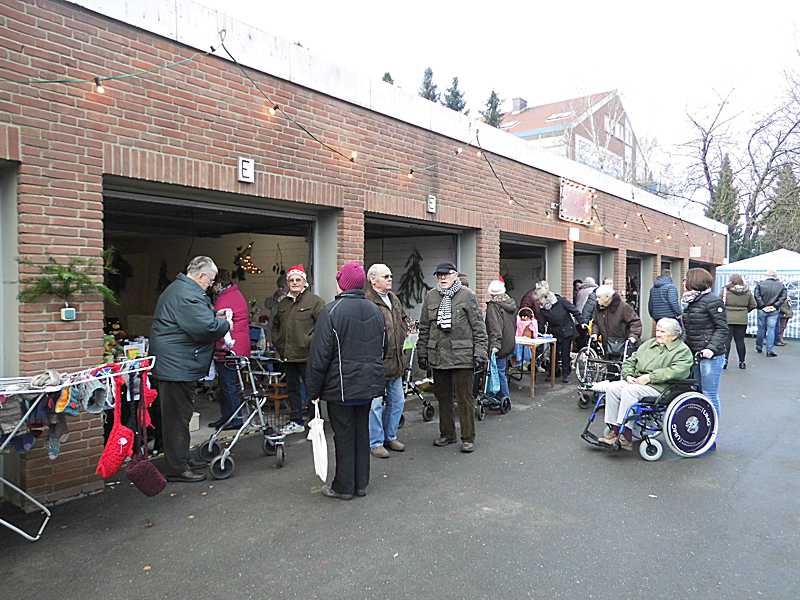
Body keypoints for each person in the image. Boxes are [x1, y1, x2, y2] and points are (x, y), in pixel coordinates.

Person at [306, 262, 385, 500]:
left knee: (343, 436)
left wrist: (313, 390)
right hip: (368, 384)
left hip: (341, 386)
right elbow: (384, 347)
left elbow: (319, 356)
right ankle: (361, 484)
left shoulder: (331, 311)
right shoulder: (376, 311)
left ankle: (344, 486)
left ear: (343, 284)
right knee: (361, 432)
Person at [150, 256, 230, 483]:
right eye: (210, 280)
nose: (211, 285)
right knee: (177, 418)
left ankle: (182, 459)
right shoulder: (187, 294)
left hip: (176, 364)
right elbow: (205, 328)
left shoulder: (181, 290)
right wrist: (225, 324)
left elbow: (195, 320)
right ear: (202, 275)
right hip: (176, 366)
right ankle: (178, 467)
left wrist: (213, 317)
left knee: (180, 415)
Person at [417, 262, 487, 453]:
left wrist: (480, 353)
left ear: (455, 275)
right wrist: (422, 352)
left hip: (462, 356)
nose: (442, 278)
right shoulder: (431, 296)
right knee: (443, 398)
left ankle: (468, 438)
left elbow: (479, 327)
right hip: (438, 356)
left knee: (465, 399)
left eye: (446, 274)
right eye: (439, 275)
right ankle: (447, 434)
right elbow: (424, 328)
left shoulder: (467, 295)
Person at [597, 318, 693, 450]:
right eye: (657, 330)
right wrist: (628, 375)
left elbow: (677, 371)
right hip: (637, 381)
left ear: (674, 336)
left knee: (629, 391)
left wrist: (650, 377)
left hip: (661, 387)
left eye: (663, 332)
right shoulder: (649, 344)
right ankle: (614, 429)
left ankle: (626, 435)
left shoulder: (682, 351)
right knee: (613, 387)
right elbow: (630, 361)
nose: (658, 334)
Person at [271, 264, 325, 434]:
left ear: (304, 282)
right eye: (291, 280)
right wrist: (279, 344)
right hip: (288, 356)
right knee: (292, 389)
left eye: (298, 280)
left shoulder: (315, 302)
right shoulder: (283, 303)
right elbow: (275, 326)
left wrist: (310, 342)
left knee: (312, 390)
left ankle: (314, 423)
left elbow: (322, 327)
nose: (294, 283)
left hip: (307, 356)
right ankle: (296, 421)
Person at [365, 263, 409, 459]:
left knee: (397, 401)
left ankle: (390, 436)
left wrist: (403, 333)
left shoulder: (394, 298)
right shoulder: (367, 301)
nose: (390, 279)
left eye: (390, 275)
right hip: (377, 362)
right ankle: (375, 442)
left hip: (396, 360)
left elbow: (403, 319)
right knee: (375, 405)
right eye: (385, 276)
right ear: (373, 280)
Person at [682, 267, 728, 427]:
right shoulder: (689, 301)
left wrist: (711, 348)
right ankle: (701, 426)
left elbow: (722, 328)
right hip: (694, 352)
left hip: (710, 356)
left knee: (709, 393)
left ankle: (712, 429)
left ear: (694, 281)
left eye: (686, 279)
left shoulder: (713, 301)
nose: (684, 281)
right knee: (697, 392)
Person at [210, 269, 251, 429]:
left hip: (230, 348)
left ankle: (235, 418)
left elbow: (218, 323)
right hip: (236, 347)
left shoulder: (226, 299)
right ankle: (227, 417)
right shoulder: (234, 295)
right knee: (226, 384)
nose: (211, 287)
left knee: (228, 385)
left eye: (213, 283)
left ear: (220, 283)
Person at [535, 282, 583, 383]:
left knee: (565, 353)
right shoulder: (543, 309)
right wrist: (539, 333)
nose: (539, 302)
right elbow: (541, 322)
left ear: (545, 298)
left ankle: (565, 374)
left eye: (540, 300)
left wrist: (582, 322)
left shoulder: (561, 301)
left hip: (567, 329)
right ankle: (553, 372)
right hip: (554, 332)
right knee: (553, 354)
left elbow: (574, 310)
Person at [484, 279, 517, 405]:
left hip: (500, 344)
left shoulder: (494, 306)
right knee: (502, 371)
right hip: (509, 343)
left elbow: (495, 328)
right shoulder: (509, 303)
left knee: (496, 372)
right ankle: (504, 398)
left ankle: (502, 398)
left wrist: (494, 345)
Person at [590, 285, 642, 356]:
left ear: (607, 297)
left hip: (623, 344)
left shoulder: (623, 307)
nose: (596, 299)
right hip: (607, 345)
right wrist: (595, 333)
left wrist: (633, 337)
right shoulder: (598, 308)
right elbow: (596, 323)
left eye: (599, 297)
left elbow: (635, 322)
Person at [722, 274, 756, 369]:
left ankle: (724, 361)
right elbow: (753, 304)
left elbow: (719, 302)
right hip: (742, 319)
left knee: (726, 341)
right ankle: (742, 362)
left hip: (727, 318)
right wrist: (745, 311)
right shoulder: (747, 291)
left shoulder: (725, 290)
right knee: (740, 341)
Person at [754, 269, 787, 357]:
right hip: (774, 310)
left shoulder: (760, 284)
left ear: (766, 276)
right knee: (771, 330)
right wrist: (775, 306)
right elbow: (783, 297)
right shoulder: (781, 285)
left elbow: (756, 296)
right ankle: (769, 350)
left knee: (761, 329)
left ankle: (759, 347)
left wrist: (762, 306)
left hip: (762, 309)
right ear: (775, 276)